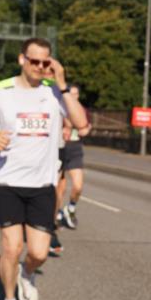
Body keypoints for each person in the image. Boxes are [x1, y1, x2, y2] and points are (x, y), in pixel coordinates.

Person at [0, 38, 87, 300]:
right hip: (8, 181)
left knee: (39, 253)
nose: (40, 67)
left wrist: (63, 83)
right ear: (22, 60)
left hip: (42, 184)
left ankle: (27, 274)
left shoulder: (54, 92)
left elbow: (80, 122)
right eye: (34, 61)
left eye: (46, 62)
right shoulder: (1, 91)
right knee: (11, 247)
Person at [56, 85, 91, 230]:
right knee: (60, 188)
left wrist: (86, 129)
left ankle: (70, 208)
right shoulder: (60, 108)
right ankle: (56, 213)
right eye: (72, 94)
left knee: (78, 185)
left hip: (75, 150)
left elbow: (86, 127)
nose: (74, 97)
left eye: (76, 94)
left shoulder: (82, 111)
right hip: (61, 149)